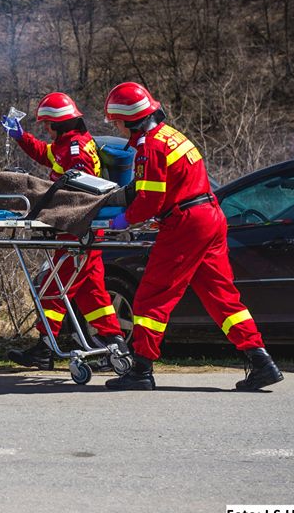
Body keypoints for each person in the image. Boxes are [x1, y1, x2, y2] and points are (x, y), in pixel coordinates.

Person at [101, 82, 283, 391]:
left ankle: (141, 369)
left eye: (118, 120)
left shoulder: (151, 146)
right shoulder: (173, 136)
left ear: (131, 118)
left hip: (186, 224)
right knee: (221, 297)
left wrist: (123, 220)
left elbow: (149, 201)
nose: (117, 126)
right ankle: (261, 361)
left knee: (151, 297)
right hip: (208, 217)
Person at [1, 92, 130, 369]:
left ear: (58, 123)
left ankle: (45, 349)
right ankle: (115, 345)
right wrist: (20, 136)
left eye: (47, 124)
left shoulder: (76, 150)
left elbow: (78, 191)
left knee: (53, 289)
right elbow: (44, 154)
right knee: (91, 294)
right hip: (81, 230)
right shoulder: (66, 144)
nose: (45, 129)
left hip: (77, 229)